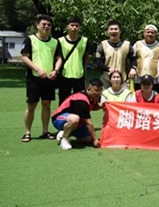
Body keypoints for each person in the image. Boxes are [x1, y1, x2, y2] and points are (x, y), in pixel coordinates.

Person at [21, 14, 62, 142]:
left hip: (49, 78)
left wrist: (55, 71)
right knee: (32, 105)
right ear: (37, 25)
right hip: (34, 78)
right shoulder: (30, 39)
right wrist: (37, 69)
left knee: (47, 104)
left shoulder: (55, 42)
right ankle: (27, 132)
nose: (46, 26)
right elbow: (24, 58)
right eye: (44, 24)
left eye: (49, 25)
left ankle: (45, 131)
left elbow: (59, 58)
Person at [51, 78, 103, 150]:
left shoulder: (93, 97)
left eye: (101, 90)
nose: (99, 93)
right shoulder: (81, 101)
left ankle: (65, 132)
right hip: (58, 119)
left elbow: (92, 107)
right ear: (89, 89)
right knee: (74, 119)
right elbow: (88, 123)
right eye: (96, 90)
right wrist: (95, 139)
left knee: (88, 139)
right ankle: (64, 139)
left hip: (76, 122)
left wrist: (102, 106)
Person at [57, 16, 90, 105]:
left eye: (77, 26)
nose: (74, 28)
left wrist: (81, 66)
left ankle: (78, 115)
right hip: (64, 74)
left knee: (80, 101)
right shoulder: (60, 41)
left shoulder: (85, 41)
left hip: (79, 74)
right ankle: (63, 114)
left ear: (80, 27)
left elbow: (86, 56)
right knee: (63, 101)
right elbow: (58, 57)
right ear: (67, 27)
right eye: (72, 25)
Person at [96, 19, 134, 90]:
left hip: (122, 78)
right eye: (111, 29)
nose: (113, 31)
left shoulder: (127, 45)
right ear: (107, 31)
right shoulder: (102, 45)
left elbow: (134, 59)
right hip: (106, 78)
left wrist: (133, 69)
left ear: (120, 31)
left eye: (116, 29)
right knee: (102, 96)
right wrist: (109, 69)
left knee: (127, 96)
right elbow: (99, 63)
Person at [129, 24, 159, 92]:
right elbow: (132, 59)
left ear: (156, 34)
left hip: (155, 78)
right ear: (144, 33)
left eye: (152, 32)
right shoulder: (137, 44)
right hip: (139, 77)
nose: (150, 34)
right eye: (148, 32)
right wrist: (132, 69)